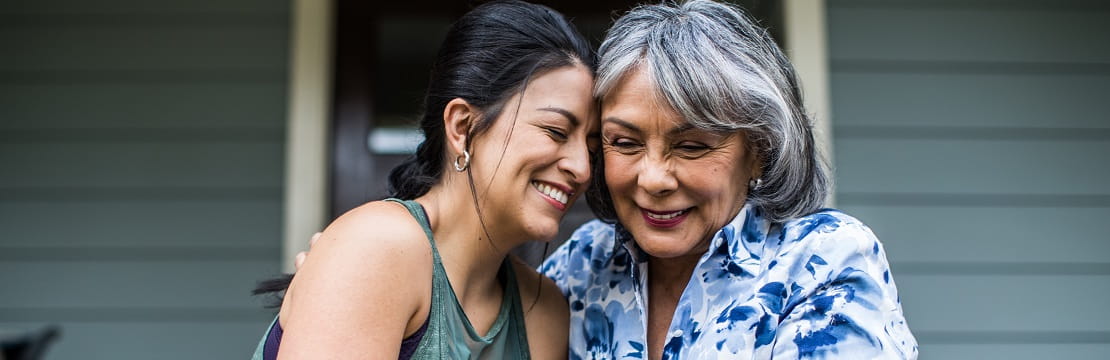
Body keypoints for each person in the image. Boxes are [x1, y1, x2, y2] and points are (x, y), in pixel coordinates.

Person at [538, 1, 918, 359]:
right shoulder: (584, 261)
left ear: (759, 152)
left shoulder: (821, 260)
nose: (653, 179)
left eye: (690, 146)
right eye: (624, 143)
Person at [251, 1, 598, 358]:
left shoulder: (543, 313)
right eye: (556, 132)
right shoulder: (378, 248)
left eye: (592, 146)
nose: (583, 168)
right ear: (463, 127)